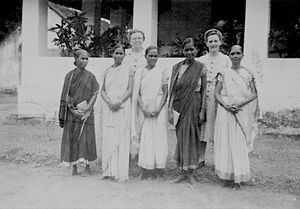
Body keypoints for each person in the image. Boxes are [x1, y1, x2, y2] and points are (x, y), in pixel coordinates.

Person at [214, 45, 259, 190]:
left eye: (238, 53)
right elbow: (217, 93)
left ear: (242, 55)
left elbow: (253, 93)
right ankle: (227, 177)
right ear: (229, 55)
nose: (235, 56)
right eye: (232, 53)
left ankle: (238, 178)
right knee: (226, 143)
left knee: (238, 143)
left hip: (241, 111)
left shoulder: (247, 74)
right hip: (226, 111)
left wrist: (240, 103)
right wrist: (226, 105)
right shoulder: (224, 73)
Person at [168, 38, 207, 185]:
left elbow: (203, 90)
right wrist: (169, 109)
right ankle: (182, 172)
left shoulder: (201, 67)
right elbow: (172, 91)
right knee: (181, 137)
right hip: (180, 106)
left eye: (192, 49)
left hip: (195, 105)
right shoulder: (177, 67)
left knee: (193, 138)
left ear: (196, 50)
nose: (189, 52)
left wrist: (203, 110)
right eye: (187, 49)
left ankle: (191, 172)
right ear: (183, 50)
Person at [59, 49, 99, 176]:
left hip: (87, 112)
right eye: (82, 58)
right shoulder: (69, 76)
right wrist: (73, 110)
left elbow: (95, 93)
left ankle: (87, 167)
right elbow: (67, 95)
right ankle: (74, 166)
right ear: (75, 60)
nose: (85, 61)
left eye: (87, 58)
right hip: (73, 113)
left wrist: (87, 108)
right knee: (73, 138)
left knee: (86, 138)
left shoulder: (91, 76)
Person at [131, 46, 169, 180]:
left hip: (159, 108)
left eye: (155, 56)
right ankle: (145, 169)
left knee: (158, 137)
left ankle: (158, 169)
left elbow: (165, 92)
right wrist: (143, 109)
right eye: (150, 56)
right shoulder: (140, 72)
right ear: (145, 56)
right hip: (144, 109)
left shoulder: (162, 71)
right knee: (145, 137)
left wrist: (158, 108)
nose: (153, 58)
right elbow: (137, 93)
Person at [198, 29, 231, 168]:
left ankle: (219, 161)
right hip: (204, 95)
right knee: (203, 126)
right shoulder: (200, 60)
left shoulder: (225, 59)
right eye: (210, 41)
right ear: (206, 43)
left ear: (220, 42)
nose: (213, 44)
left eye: (215, 41)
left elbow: (229, 78)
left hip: (219, 95)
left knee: (219, 126)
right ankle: (201, 158)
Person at [100, 45, 134, 182]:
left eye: (121, 53)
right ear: (112, 54)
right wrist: (109, 102)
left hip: (122, 107)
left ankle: (119, 172)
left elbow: (130, 89)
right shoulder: (107, 71)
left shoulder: (129, 70)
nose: (119, 55)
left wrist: (119, 102)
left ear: (124, 55)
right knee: (109, 137)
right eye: (116, 53)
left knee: (121, 138)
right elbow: (102, 90)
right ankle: (108, 170)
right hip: (109, 108)